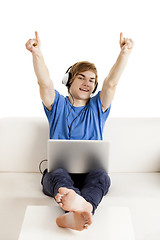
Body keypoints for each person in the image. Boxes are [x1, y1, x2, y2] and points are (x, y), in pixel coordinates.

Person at [25, 31, 134, 231]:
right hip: (60, 173)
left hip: (90, 174)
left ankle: (77, 211)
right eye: (81, 77)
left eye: (92, 80)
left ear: (94, 86)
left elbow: (111, 83)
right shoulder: (57, 104)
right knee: (56, 175)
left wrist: (124, 53)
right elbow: (44, 83)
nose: (87, 83)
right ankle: (82, 206)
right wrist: (36, 53)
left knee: (101, 176)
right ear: (69, 80)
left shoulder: (97, 107)